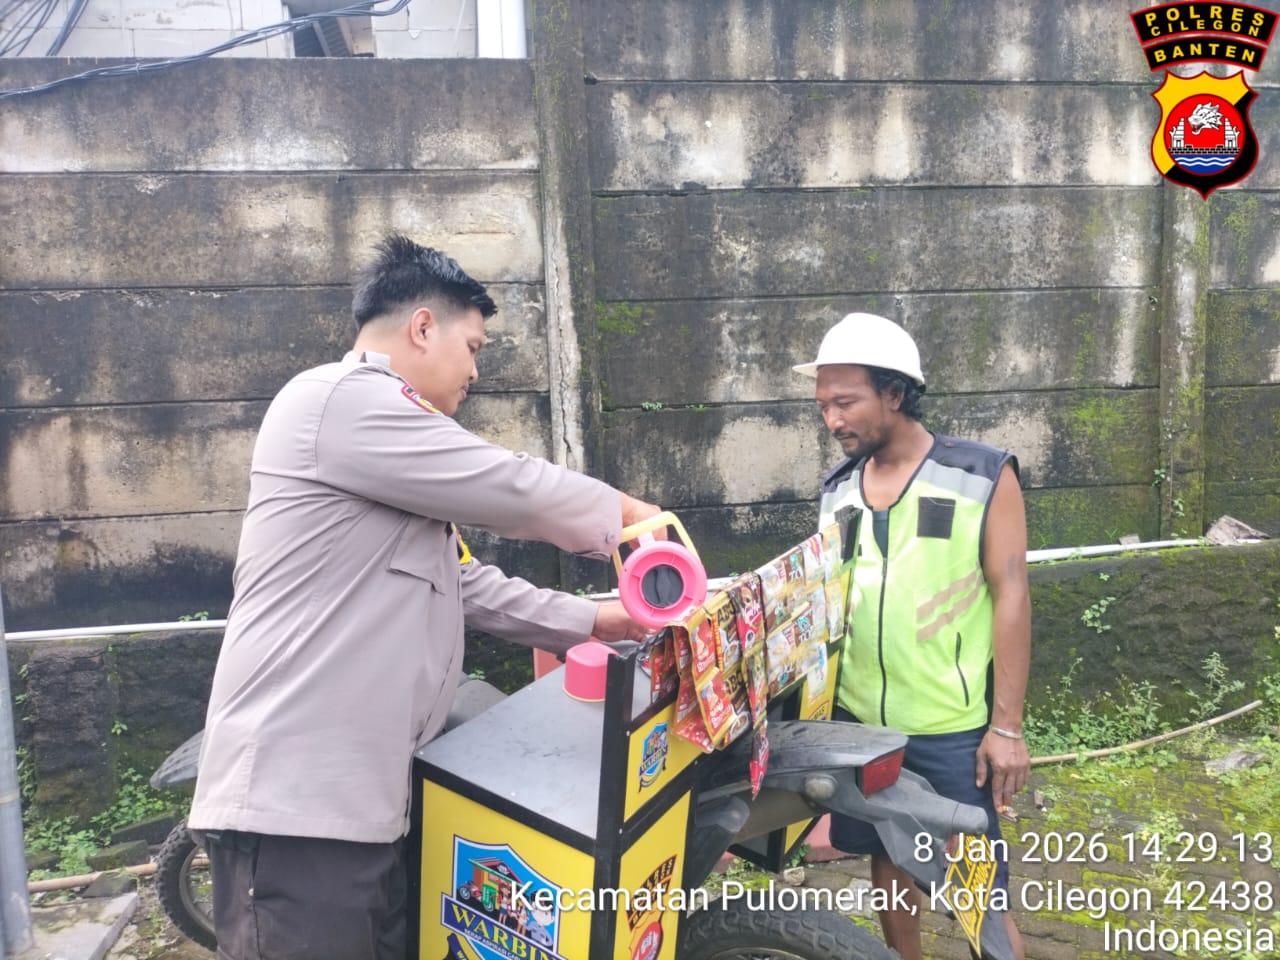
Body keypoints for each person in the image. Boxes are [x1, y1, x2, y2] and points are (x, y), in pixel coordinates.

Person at [187, 234, 661, 960]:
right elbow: (508, 484)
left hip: (366, 805)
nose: (475, 371)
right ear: (421, 327)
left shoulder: (392, 456)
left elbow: (464, 582)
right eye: (471, 347)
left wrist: (600, 620)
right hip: (298, 813)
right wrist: (635, 520)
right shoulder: (340, 399)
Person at [795, 312, 1030, 960]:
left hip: (948, 727)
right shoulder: (838, 490)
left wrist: (1007, 728)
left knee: (977, 888)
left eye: (846, 402)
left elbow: (1012, 593)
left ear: (894, 393)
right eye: (823, 406)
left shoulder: (981, 475)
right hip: (861, 727)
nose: (832, 420)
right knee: (888, 855)